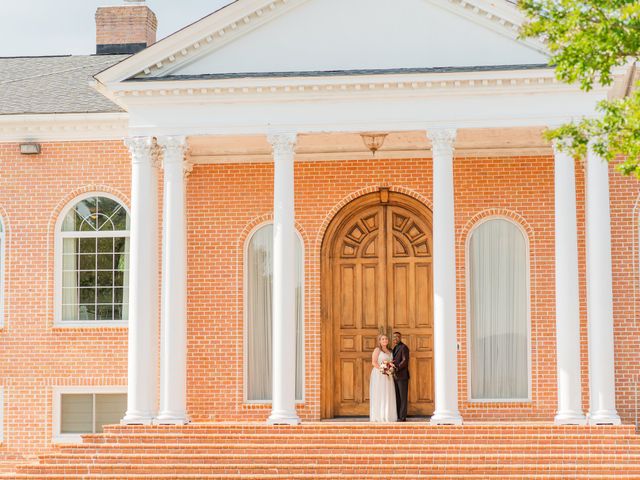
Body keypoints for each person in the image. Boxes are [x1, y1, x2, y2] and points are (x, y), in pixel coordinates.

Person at [369, 334, 397, 422]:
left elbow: (391, 362)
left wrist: (389, 369)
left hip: (388, 375)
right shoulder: (377, 350)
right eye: (383, 339)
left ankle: (388, 415)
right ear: (380, 341)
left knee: (388, 393)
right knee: (380, 393)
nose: (385, 340)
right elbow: (374, 362)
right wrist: (383, 369)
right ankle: (379, 416)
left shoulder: (390, 350)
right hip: (379, 374)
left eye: (386, 339)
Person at [392, 331, 410, 422]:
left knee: (403, 397)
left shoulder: (404, 347)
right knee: (397, 397)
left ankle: (403, 417)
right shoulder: (394, 348)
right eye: (394, 337)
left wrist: (397, 368)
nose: (395, 338)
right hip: (395, 376)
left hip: (402, 376)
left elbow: (405, 360)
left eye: (397, 337)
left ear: (400, 337)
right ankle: (398, 415)